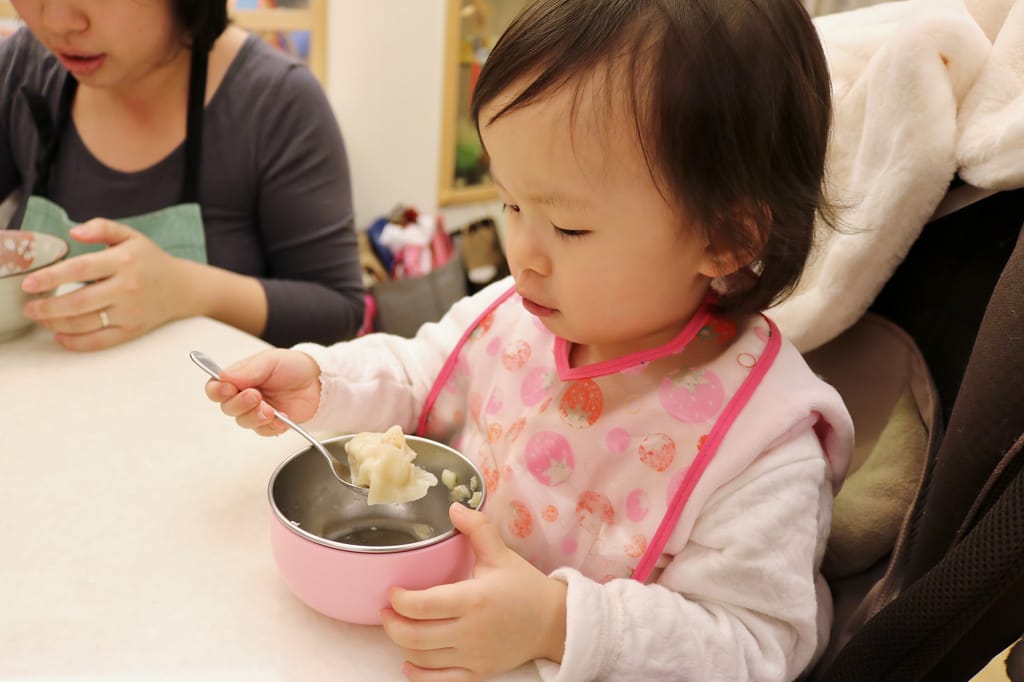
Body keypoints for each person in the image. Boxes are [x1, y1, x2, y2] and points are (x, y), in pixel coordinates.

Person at [203, 0, 854, 679]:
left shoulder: (761, 446)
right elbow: (423, 375)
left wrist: (557, 623)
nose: (523, 255)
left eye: (569, 227)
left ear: (726, 238)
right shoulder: (517, 317)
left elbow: (756, 647)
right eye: (511, 203)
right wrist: (325, 382)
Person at [0, 0, 365, 350]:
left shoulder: (276, 101)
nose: (58, 22)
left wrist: (188, 290)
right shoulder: (24, 67)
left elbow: (338, 311)